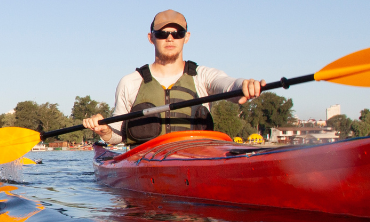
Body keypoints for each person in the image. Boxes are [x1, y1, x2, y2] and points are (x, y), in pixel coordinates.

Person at [82, 10, 265, 146]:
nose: (170, 38)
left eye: (177, 33)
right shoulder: (130, 82)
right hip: (145, 166)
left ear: (186, 38)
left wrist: (245, 85)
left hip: (195, 160)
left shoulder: (203, 77)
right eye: (162, 33)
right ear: (151, 38)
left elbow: (230, 86)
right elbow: (118, 136)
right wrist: (105, 130)